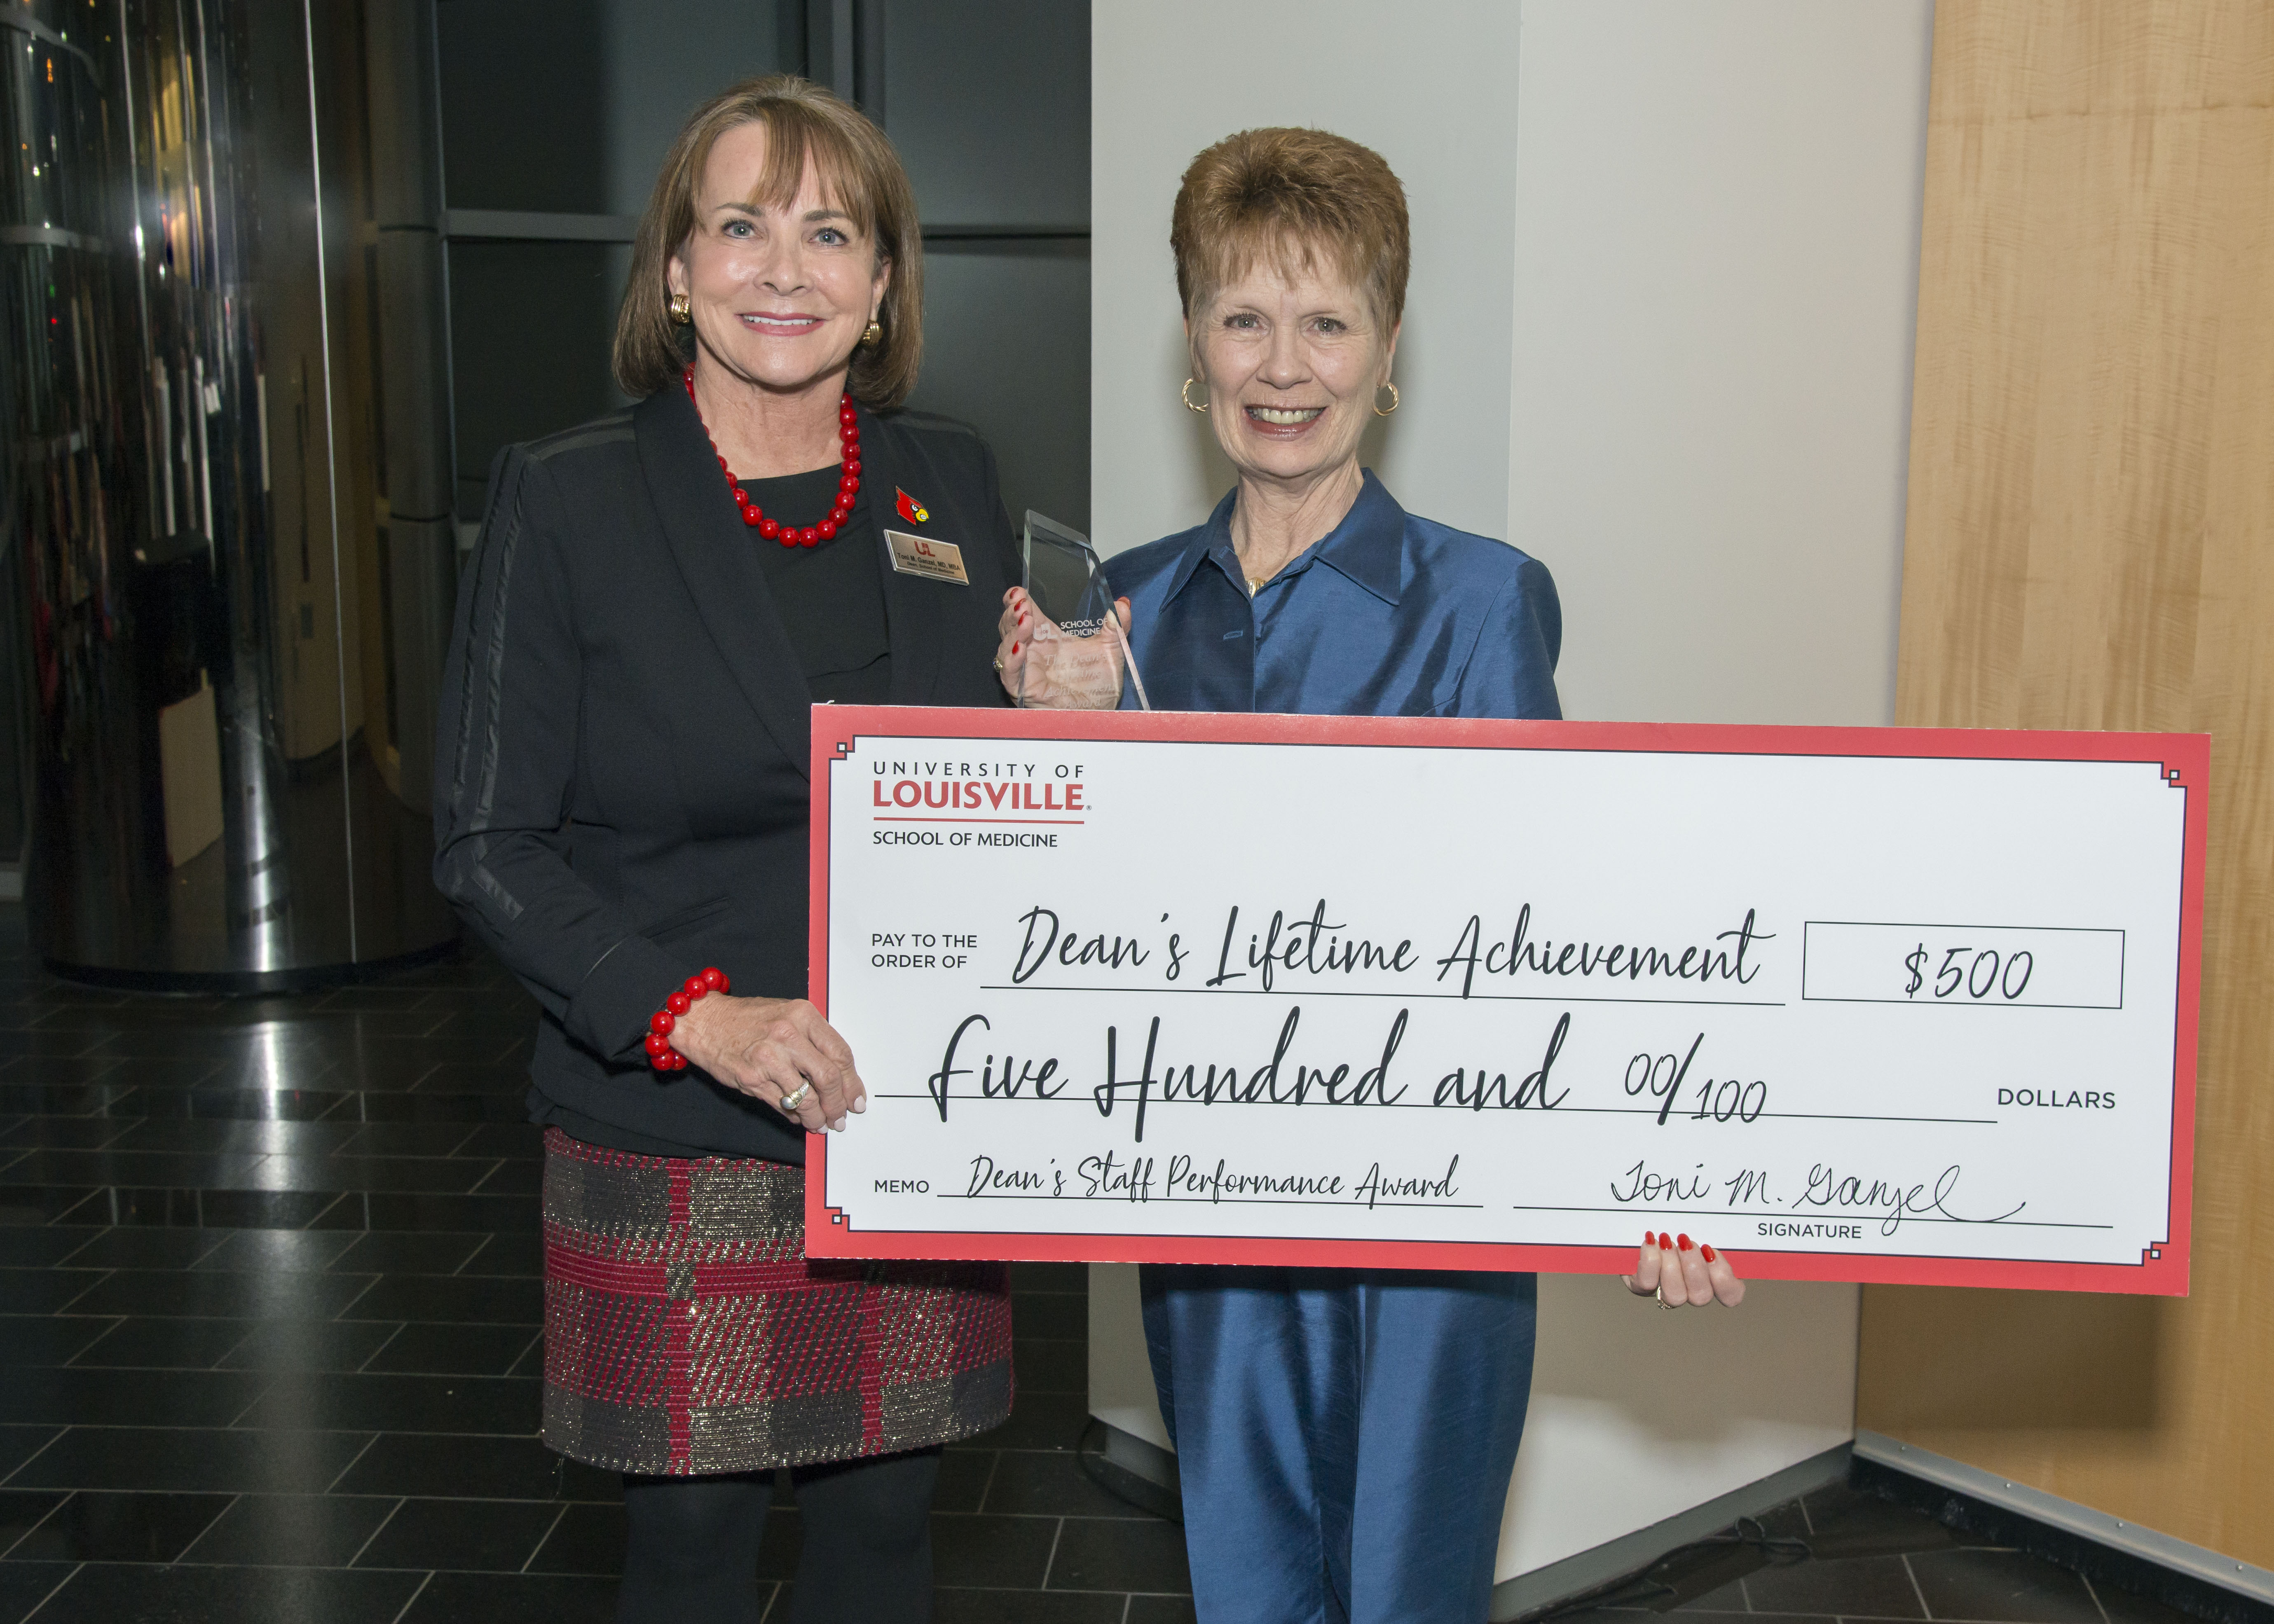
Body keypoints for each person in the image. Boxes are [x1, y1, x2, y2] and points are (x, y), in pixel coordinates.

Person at [995, 128, 1748, 1624]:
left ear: (1388, 349)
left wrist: (1658, 1168)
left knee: (1409, 1589)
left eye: (1328, 322)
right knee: (1247, 1586)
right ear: (1194, 341)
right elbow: (1072, 927)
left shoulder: (1482, 599)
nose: (1285, 366)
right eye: (1244, 317)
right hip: (1210, 1204)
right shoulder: (1121, 612)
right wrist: (1044, 751)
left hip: (1434, 1230)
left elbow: (1557, 922)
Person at [434, 76, 1018, 1624]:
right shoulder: (569, 496)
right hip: (674, 1120)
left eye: (830, 233)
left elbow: (993, 795)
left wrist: (1065, 711)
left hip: (904, 1118)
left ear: (882, 282)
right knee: (689, 1553)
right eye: (743, 225)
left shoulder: (953, 480)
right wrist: (699, 1019)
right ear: (678, 268)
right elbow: (488, 843)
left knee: (887, 1533)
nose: (785, 269)